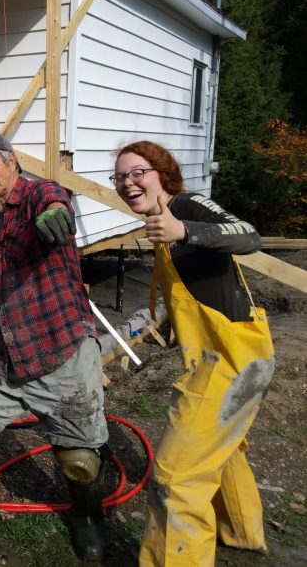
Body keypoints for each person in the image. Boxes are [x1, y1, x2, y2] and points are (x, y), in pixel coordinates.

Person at [112, 141, 273, 566]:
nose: (128, 183)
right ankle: (239, 531)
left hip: (231, 361)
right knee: (224, 445)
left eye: (137, 172)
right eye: (120, 177)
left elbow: (250, 235)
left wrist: (186, 231)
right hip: (230, 359)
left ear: (162, 172)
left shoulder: (187, 206)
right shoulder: (157, 223)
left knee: (176, 474)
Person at [0, 131, 109, 561]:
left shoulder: (40, 195)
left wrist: (55, 214)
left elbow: (57, 198)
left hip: (60, 347)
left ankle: (86, 517)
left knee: (79, 459)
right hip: (1, 353)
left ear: (11, 162)